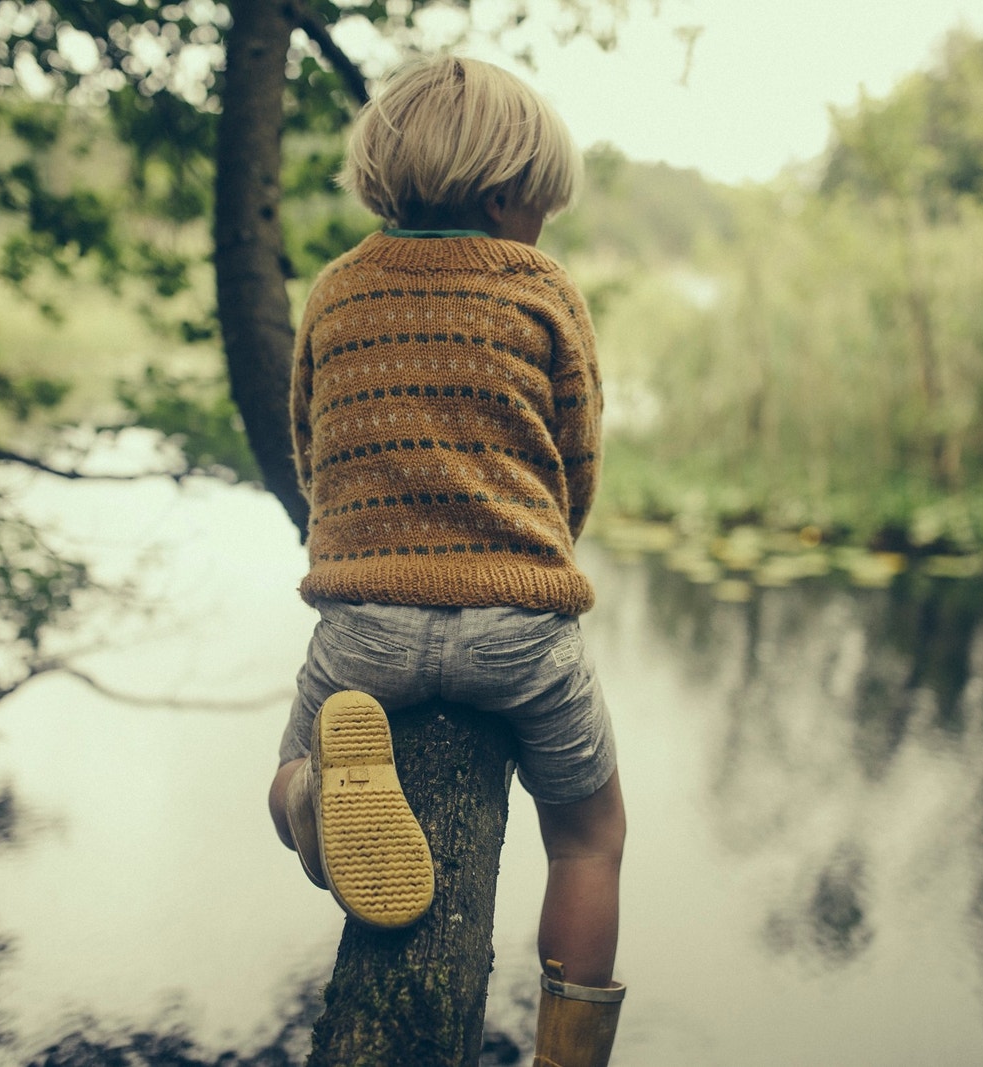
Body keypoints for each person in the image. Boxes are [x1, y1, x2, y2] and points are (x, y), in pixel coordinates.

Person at [263, 54, 626, 1067]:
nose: (542, 227)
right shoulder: (539, 287)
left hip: (367, 623)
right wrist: (543, 543)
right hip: (520, 632)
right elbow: (576, 456)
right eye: (540, 207)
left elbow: (310, 446)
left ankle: (312, 799)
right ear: (508, 192)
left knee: (286, 767)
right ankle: (568, 1053)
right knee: (589, 835)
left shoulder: (336, 290)